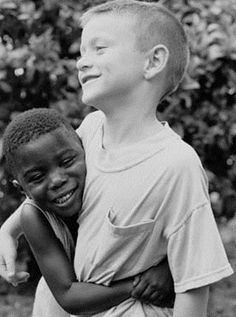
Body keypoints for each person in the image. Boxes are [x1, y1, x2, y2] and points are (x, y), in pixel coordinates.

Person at [0, 0, 233, 316]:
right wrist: (9, 230)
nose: (82, 62)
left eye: (99, 49)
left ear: (153, 62)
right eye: (82, 52)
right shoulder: (91, 130)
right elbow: (42, 188)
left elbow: (194, 284)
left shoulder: (176, 165)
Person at [1, 107, 174, 317]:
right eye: (37, 177)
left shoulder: (111, 176)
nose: (57, 180)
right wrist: (139, 285)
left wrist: (167, 267)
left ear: (85, 150)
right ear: (22, 189)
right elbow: (68, 296)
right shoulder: (34, 217)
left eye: (66, 162)